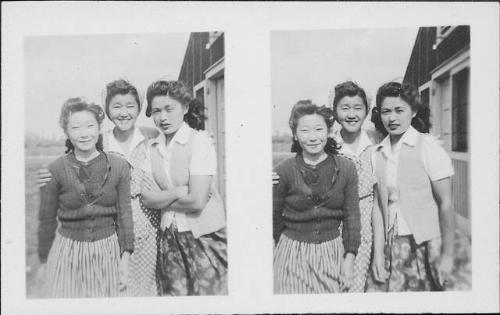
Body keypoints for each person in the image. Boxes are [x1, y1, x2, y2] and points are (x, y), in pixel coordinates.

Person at [37, 79, 161, 296]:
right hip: (88, 241)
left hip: (137, 233)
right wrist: (43, 261)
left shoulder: (150, 140)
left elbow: (179, 151)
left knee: (139, 294)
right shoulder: (86, 148)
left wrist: (201, 140)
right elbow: (48, 216)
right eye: (117, 106)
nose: (124, 113)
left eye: (130, 106)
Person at [135, 80, 227, 296]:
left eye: (169, 109)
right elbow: (147, 199)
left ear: (184, 108)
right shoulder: (152, 147)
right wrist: (177, 192)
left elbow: (196, 202)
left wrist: (163, 199)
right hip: (169, 238)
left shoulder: (199, 141)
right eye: (156, 111)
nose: (163, 117)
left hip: (205, 236)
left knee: (208, 300)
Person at [367, 81, 455, 292]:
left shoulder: (428, 147)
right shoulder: (377, 152)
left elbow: (446, 202)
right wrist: (378, 253)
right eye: (386, 111)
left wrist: (447, 255)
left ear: (413, 111)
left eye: (399, 110)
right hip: (392, 243)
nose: (392, 118)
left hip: (428, 242)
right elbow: (379, 207)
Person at [273, 100, 361, 294]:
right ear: (295, 135)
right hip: (292, 255)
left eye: (319, 129)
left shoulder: (346, 168)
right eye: (305, 131)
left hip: (332, 253)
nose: (313, 137)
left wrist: (349, 258)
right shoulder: (283, 171)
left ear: (329, 132)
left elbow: (352, 218)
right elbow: (274, 220)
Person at [330, 81, 380, 292]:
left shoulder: (376, 143)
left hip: (369, 224)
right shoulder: (327, 145)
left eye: (358, 108)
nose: (351, 114)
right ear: (335, 111)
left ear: (367, 112)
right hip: (334, 226)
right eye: (345, 108)